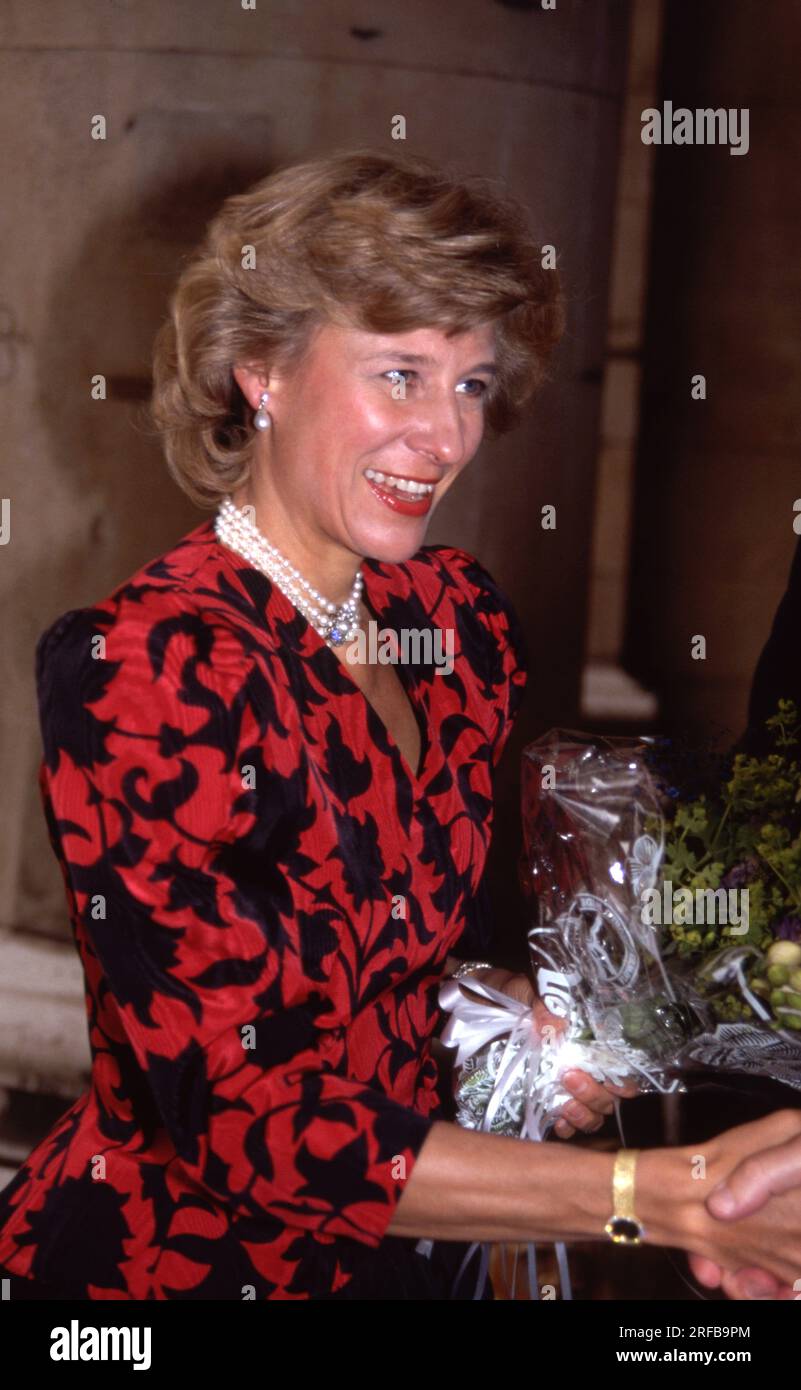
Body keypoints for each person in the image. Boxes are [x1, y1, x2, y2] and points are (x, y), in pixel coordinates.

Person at [0, 146, 798, 1300]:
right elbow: (244, 1116)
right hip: (175, 1271)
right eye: (401, 375)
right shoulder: (148, 668)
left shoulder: (454, 623)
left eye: (472, 384)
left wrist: (526, 1022)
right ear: (259, 369)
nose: (447, 438)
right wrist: (650, 1197)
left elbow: (388, 959)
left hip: (417, 1254)